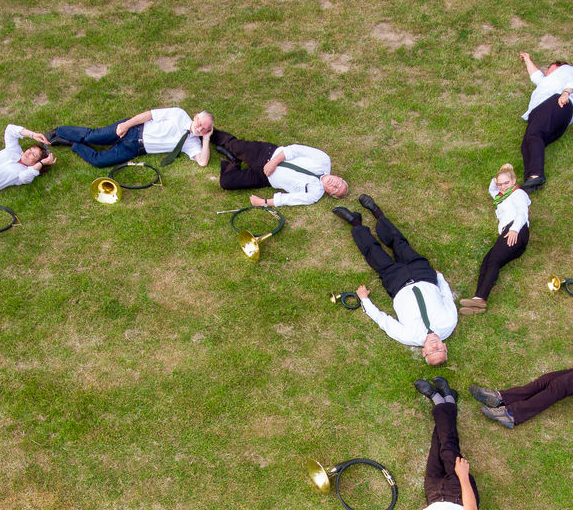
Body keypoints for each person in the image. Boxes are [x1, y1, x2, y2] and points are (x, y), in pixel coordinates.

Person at [371, 376, 478, 510]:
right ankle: (440, 399)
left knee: (436, 444)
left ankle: (448, 402)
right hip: (458, 496)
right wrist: (463, 477)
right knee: (448, 447)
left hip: (434, 494)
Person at [333, 195, 457, 365]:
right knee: (399, 243)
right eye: (439, 349)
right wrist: (439, 277)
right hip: (424, 275)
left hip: (397, 283)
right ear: (445, 347)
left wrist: (364, 299)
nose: (434, 346)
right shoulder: (449, 323)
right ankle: (376, 212)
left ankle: (355, 223)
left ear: (424, 352)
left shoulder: (408, 336)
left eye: (431, 351)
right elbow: (447, 297)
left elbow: (383, 320)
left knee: (373, 253)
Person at [458, 163, 531, 315]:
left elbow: (522, 213)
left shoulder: (518, 194)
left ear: (514, 181)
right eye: (500, 184)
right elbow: (492, 189)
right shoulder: (501, 197)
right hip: (509, 232)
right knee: (486, 262)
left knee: (494, 261)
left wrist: (514, 230)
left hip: (516, 230)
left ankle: (480, 298)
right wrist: (500, 173)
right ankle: (477, 301)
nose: (503, 187)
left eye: (507, 183)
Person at [209, 128, 347, 207]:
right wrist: (274, 161)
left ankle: (233, 160)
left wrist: (263, 202)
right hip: (267, 154)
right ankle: (204, 132)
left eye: (335, 189)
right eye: (339, 183)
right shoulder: (324, 160)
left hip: (264, 177)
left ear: (329, 193)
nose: (335, 184)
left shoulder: (314, 195)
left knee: (226, 183)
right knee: (233, 145)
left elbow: (289, 199)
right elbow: (296, 149)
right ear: (338, 177)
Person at [48, 108, 213, 169]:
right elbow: (149, 115)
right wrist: (126, 125)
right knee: (92, 136)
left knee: (99, 161)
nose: (200, 128)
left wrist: (206, 139)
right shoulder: (179, 114)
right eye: (200, 123)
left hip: (135, 149)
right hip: (133, 130)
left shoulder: (192, 142)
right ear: (196, 116)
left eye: (205, 129)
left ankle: (71, 143)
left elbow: (202, 162)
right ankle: (59, 131)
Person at [516, 52, 573, 191]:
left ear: (557, 66)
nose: (545, 72)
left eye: (548, 68)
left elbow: (571, 80)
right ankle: (531, 182)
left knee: (534, 135)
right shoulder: (546, 82)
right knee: (527, 143)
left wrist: (565, 93)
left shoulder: (566, 69)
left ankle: (536, 175)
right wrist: (527, 59)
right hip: (545, 113)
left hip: (557, 103)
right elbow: (536, 75)